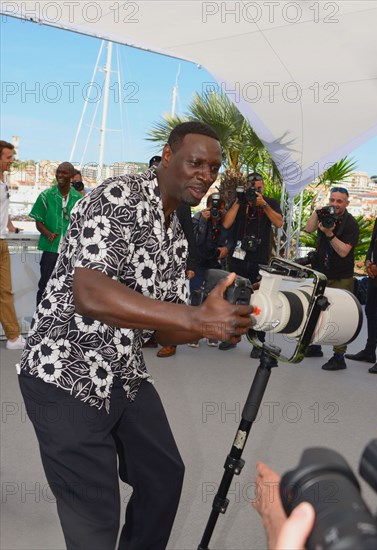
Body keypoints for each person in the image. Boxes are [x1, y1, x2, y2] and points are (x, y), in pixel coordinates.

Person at [18, 121, 253, 550]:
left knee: (163, 476)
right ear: (167, 156)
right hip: (64, 373)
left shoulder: (177, 236)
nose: (206, 174)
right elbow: (89, 292)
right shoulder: (117, 196)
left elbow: (163, 328)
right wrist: (196, 318)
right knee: (95, 521)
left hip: (123, 373)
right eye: (195, 162)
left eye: (213, 167)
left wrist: (218, 322)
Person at [218, 172, 283, 355]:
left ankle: (259, 342)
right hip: (239, 257)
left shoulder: (270, 202)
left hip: (260, 258)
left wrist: (264, 205)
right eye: (252, 188)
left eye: (259, 188)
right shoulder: (240, 202)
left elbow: (278, 223)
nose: (256, 191)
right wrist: (239, 201)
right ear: (246, 187)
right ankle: (232, 336)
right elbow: (226, 223)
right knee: (234, 296)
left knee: (261, 299)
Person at [144, 155, 199, 358]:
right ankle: (149, 335)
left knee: (172, 302)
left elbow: (188, 232)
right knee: (148, 299)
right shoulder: (142, 201)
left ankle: (171, 344)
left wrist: (190, 263)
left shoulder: (180, 202)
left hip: (174, 263)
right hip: (148, 263)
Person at [304, 186, 359, 370]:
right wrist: (317, 212)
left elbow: (344, 252)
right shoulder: (325, 215)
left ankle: (339, 356)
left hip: (341, 276)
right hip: (322, 272)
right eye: (332, 200)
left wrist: (329, 234)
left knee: (342, 316)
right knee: (316, 311)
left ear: (347, 203)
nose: (335, 204)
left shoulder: (351, 224)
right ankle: (315, 346)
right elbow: (308, 228)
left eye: (339, 201)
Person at [30, 162, 83, 305]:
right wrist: (47, 234)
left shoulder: (79, 199)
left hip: (71, 252)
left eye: (64, 173)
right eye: (58, 172)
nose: (60, 175)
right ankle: (39, 322)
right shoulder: (45, 195)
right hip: (51, 250)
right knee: (45, 286)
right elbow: (38, 221)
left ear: (71, 177)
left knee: (67, 289)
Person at [188, 192, 229, 348]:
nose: (217, 211)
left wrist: (225, 249)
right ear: (207, 206)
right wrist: (204, 222)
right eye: (214, 207)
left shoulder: (226, 221)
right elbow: (195, 241)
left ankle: (212, 332)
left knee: (216, 299)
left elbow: (230, 240)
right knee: (197, 297)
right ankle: (195, 334)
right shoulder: (199, 217)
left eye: (221, 208)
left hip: (217, 265)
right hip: (199, 263)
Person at [346, 212, 377, 373]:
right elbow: (373, 242)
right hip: (374, 274)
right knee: (370, 310)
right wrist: (368, 261)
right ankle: (369, 351)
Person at [0, 140, 26, 350]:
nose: (12, 161)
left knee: (5, 292)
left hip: (2, 242)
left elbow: (4, 209)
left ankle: (13, 337)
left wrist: (12, 227)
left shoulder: (4, 180)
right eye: (8, 157)